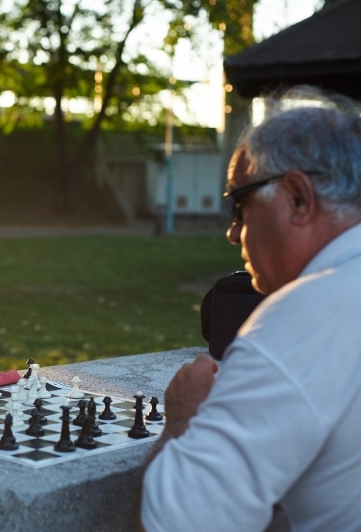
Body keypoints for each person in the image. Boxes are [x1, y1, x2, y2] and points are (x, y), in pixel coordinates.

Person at [141, 93, 361, 531]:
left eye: (239, 203)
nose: (232, 231)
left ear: (298, 198)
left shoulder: (304, 315)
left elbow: (181, 521)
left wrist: (183, 417)